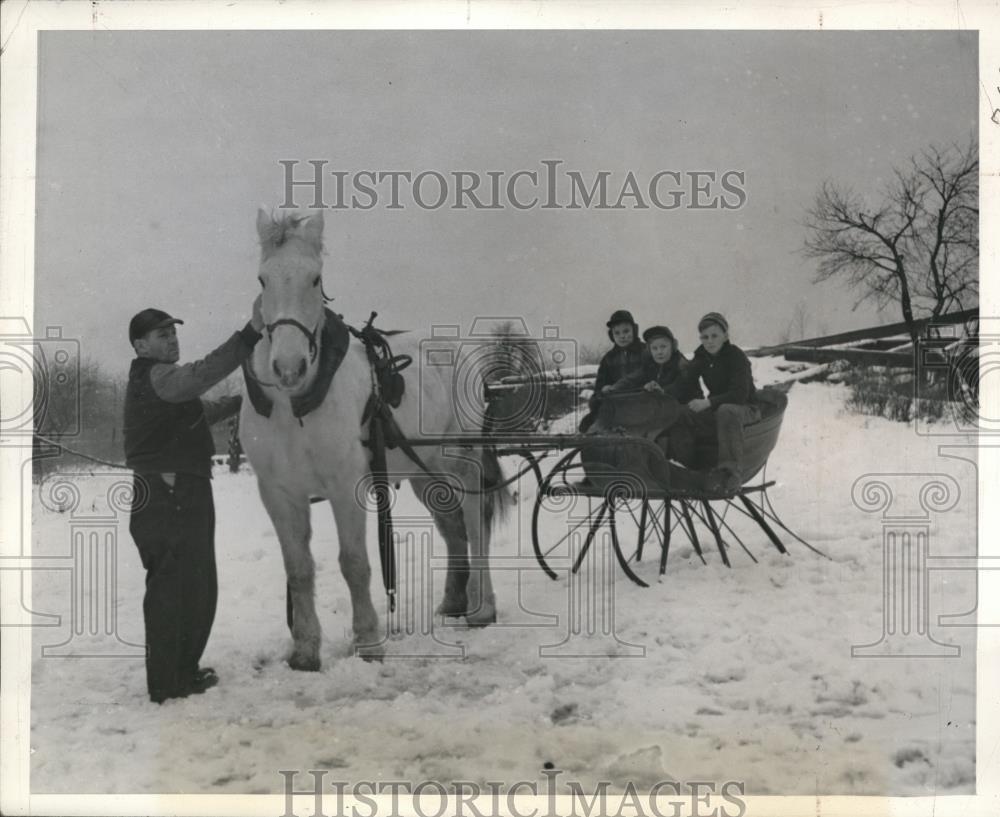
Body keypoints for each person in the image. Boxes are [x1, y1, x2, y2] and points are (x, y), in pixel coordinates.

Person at [124, 302, 263, 703]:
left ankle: (181, 672)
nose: (172, 340)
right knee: (175, 586)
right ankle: (168, 683)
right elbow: (201, 376)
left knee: (195, 585)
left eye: (174, 332)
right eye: (162, 335)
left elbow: (206, 409)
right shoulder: (159, 375)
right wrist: (248, 335)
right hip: (169, 492)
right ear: (140, 344)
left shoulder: (164, 383)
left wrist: (244, 401)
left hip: (182, 489)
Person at [668, 312, 759, 494]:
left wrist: (708, 403)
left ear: (725, 335)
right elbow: (683, 384)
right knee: (682, 412)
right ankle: (685, 467)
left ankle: (730, 473)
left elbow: (740, 395)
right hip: (719, 409)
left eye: (714, 336)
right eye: (704, 337)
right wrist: (660, 392)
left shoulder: (736, 356)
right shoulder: (702, 357)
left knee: (727, 411)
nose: (709, 341)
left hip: (746, 408)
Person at [580, 309, 646, 432]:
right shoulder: (609, 359)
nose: (622, 336)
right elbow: (599, 387)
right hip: (616, 405)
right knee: (586, 425)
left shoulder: (645, 352)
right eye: (617, 333)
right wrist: (603, 391)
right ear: (612, 335)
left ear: (634, 330)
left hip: (641, 401)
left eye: (626, 331)